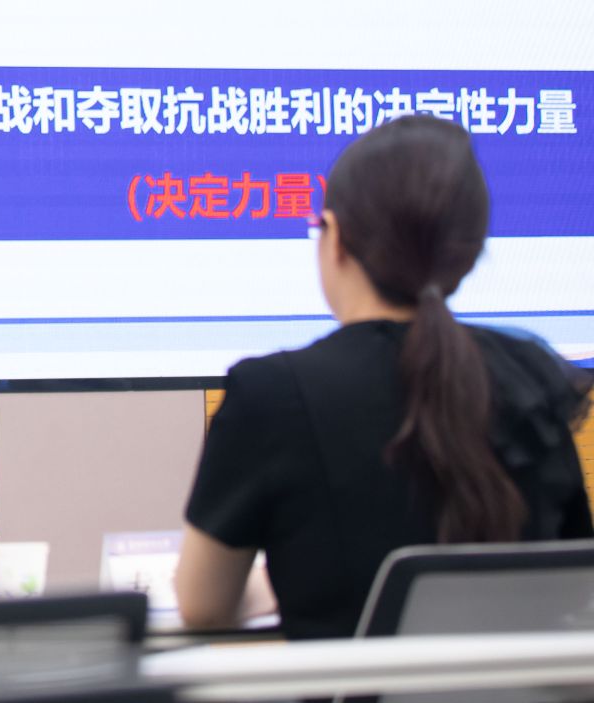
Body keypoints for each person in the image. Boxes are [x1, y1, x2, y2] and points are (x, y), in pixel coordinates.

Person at [176, 114, 591, 638]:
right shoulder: (531, 375)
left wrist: (284, 578)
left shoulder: (269, 393)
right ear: (465, 253)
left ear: (336, 238)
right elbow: (573, 578)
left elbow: (204, 606)